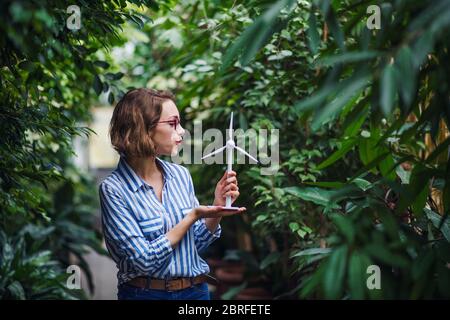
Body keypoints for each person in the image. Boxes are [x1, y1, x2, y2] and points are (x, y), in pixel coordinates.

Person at [99, 88, 245, 300]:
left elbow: (194, 243)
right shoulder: (114, 190)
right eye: (173, 123)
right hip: (145, 295)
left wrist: (217, 207)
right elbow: (143, 260)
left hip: (195, 292)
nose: (182, 131)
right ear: (144, 129)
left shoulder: (180, 175)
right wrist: (192, 216)